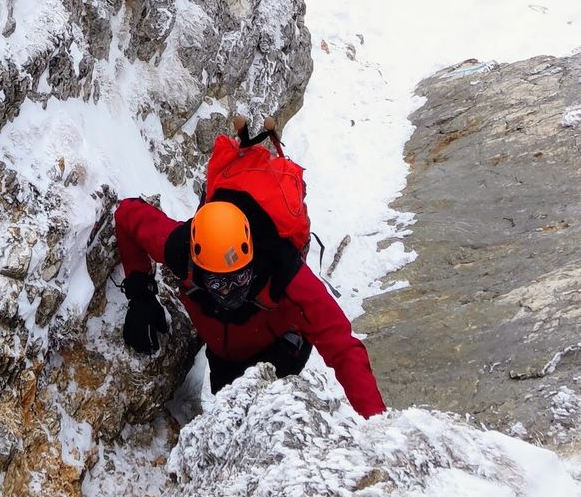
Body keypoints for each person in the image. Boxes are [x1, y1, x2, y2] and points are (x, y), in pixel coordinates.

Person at [112, 134, 385, 416]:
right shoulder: (181, 251)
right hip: (224, 357)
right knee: (228, 411)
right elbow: (127, 215)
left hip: (279, 353)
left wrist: (376, 424)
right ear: (198, 265)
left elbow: (343, 346)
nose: (229, 291)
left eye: (238, 278)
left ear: (252, 258)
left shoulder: (286, 274)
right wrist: (141, 292)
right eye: (217, 282)